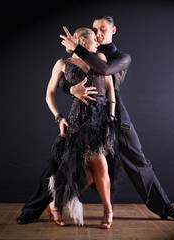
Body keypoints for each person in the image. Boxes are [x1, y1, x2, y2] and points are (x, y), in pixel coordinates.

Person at [17, 15, 174, 225]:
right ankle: (34, 209)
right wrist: (71, 89)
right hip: (83, 115)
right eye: (95, 29)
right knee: (62, 162)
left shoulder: (121, 57)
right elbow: (66, 80)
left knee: (139, 162)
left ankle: (165, 207)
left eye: (103, 29)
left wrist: (78, 51)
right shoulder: (83, 53)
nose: (98, 34)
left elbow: (104, 70)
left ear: (113, 30)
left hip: (114, 116)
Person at [44, 27, 121, 228]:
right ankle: (108, 211)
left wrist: (111, 117)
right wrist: (59, 117)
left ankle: (56, 204)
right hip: (77, 122)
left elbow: (110, 88)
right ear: (81, 41)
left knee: (92, 171)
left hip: (100, 121)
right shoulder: (63, 63)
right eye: (93, 38)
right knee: (87, 168)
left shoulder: (100, 58)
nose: (98, 42)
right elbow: (49, 95)